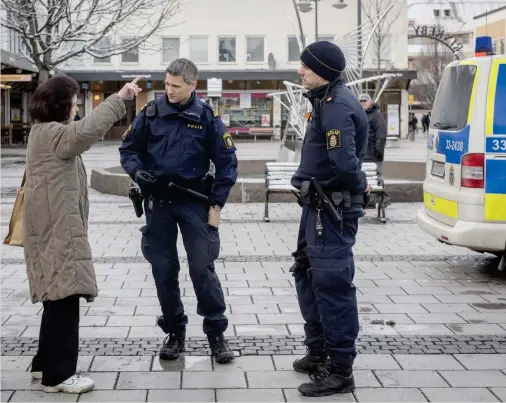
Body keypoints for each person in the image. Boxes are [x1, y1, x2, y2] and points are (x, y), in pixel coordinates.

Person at [24, 75, 142, 394]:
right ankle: (59, 375)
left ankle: (43, 364)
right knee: (65, 295)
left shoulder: (42, 132)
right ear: (61, 105)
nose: (77, 108)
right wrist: (120, 97)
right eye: (75, 103)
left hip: (49, 226)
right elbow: (88, 131)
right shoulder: (54, 133)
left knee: (55, 293)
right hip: (58, 228)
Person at [119, 58, 238, 364]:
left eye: (175, 86)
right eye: (167, 84)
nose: (168, 91)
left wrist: (217, 204)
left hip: (193, 201)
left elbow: (227, 163)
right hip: (158, 204)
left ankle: (216, 334)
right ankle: (175, 333)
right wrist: (137, 172)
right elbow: (129, 149)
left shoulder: (207, 117)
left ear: (192, 85)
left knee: (202, 268)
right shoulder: (152, 112)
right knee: (163, 269)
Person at [289, 41, 369, 397]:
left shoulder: (336, 107)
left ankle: (340, 370)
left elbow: (346, 166)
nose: (300, 70)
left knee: (332, 284)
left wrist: (354, 192)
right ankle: (318, 351)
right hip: (317, 208)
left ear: (322, 69)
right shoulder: (325, 101)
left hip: (330, 211)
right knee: (308, 274)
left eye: (305, 65)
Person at [359, 93, 387, 174]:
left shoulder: (376, 115)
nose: (362, 102)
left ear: (370, 102)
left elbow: (381, 134)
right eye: (360, 101)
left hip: (373, 156)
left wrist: (378, 151)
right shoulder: (357, 115)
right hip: (360, 156)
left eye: (365, 100)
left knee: (376, 180)